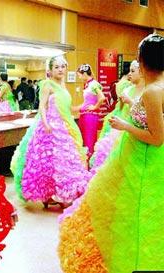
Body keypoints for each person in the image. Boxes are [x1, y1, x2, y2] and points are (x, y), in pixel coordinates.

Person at [58, 33, 164, 273]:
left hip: (144, 158)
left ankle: (135, 259)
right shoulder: (157, 87)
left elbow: (157, 138)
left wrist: (125, 125)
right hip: (140, 155)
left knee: (135, 209)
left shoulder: (152, 91)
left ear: (143, 60)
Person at [10, 56, 90, 208]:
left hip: (64, 128)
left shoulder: (64, 86)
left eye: (63, 67)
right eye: (57, 67)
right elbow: (42, 107)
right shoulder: (47, 85)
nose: (60, 70)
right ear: (51, 70)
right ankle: (48, 195)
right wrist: (46, 124)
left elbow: (67, 107)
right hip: (50, 128)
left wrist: (82, 107)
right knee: (48, 162)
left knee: (64, 161)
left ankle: (64, 193)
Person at [90, 60, 144, 173]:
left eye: (132, 71)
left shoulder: (147, 91)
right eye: (129, 71)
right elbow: (121, 108)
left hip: (135, 129)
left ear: (142, 72)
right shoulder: (128, 89)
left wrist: (129, 102)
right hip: (123, 126)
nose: (130, 74)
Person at [74, 64, 105, 158]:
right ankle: (86, 161)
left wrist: (95, 107)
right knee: (84, 140)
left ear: (84, 74)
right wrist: (75, 108)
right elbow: (86, 102)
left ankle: (90, 162)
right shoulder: (88, 85)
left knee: (89, 141)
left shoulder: (94, 84)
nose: (79, 77)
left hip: (90, 116)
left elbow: (102, 97)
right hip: (84, 115)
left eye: (79, 75)